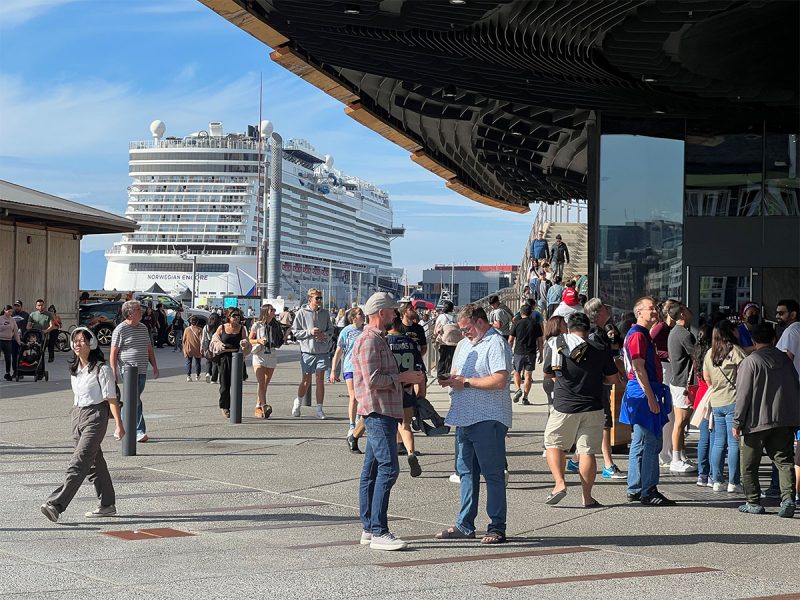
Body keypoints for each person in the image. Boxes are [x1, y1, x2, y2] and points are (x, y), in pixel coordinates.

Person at [353, 292, 423, 551]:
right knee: (388, 468)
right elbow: (372, 380)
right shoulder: (370, 340)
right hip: (378, 411)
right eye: (392, 311)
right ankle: (379, 530)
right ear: (381, 313)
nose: (396, 314)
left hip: (380, 411)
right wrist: (402, 377)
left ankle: (370, 529)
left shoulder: (375, 339)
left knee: (371, 471)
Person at [437, 304, 512, 544]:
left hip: (488, 416)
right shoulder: (462, 345)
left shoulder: (496, 343)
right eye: (461, 330)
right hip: (463, 416)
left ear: (480, 322)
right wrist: (451, 380)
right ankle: (465, 524)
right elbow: (459, 374)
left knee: (492, 474)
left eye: (467, 328)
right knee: (466, 472)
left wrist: (466, 382)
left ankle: (497, 526)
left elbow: (500, 379)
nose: (464, 333)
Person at [41, 327, 123, 523]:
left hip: (96, 416)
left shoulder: (102, 369)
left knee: (79, 462)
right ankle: (107, 504)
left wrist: (119, 425)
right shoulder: (75, 370)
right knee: (94, 463)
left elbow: (111, 399)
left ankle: (56, 504)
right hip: (78, 415)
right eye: (75, 341)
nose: (77, 344)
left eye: (82, 341)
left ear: (91, 344)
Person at [542, 312, 620, 507]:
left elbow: (547, 373)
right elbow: (612, 379)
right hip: (593, 406)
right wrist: (596, 379)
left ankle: (560, 483)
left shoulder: (557, 345)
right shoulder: (600, 348)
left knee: (554, 444)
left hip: (564, 405)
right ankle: (587, 497)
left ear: (569, 328)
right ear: (589, 329)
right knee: (587, 452)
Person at [733, 322, 799, 517]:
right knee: (784, 460)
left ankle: (753, 501)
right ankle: (787, 499)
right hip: (782, 419)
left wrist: (738, 421)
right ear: (774, 339)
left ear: (753, 340)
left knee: (749, 463)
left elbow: (742, 394)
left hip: (755, 421)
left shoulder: (751, 361)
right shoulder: (786, 361)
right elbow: (795, 387)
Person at [619, 296, 675, 506]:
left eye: (654, 309)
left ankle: (636, 486)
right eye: (650, 309)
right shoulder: (638, 336)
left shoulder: (641, 334)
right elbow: (638, 367)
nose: (654, 312)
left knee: (641, 442)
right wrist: (651, 397)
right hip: (643, 392)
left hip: (642, 391)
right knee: (651, 442)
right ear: (639, 312)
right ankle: (648, 489)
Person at [584, 297, 626, 479]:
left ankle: (577, 459)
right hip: (600, 384)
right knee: (604, 423)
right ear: (599, 312)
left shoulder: (600, 332)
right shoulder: (595, 336)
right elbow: (604, 361)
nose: (608, 310)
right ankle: (608, 465)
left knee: (597, 423)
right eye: (604, 308)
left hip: (598, 383)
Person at [703, 320, 746, 493]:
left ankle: (717, 480)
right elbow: (746, 376)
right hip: (733, 401)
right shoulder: (736, 352)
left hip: (717, 402)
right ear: (731, 332)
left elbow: (707, 379)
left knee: (719, 443)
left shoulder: (709, 354)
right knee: (734, 443)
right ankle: (734, 482)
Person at [110, 301, 159, 443]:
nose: (141, 312)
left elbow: (149, 348)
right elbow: (113, 353)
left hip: (142, 369)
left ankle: (120, 427)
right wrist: (114, 372)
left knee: (131, 401)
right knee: (135, 400)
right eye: (138, 310)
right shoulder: (120, 329)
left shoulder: (143, 328)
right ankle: (138, 431)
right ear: (130, 313)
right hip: (128, 370)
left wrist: (155, 366)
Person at [386, 314, 425, 478]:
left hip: (388, 389)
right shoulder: (411, 342)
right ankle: (410, 453)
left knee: (387, 427)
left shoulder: (384, 342)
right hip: (407, 389)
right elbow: (419, 369)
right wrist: (420, 392)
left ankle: (388, 462)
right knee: (406, 425)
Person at [291, 289, 333, 419]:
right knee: (306, 380)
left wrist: (324, 335)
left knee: (320, 380)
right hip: (307, 352)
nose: (319, 301)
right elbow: (295, 331)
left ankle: (319, 409)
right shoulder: (301, 313)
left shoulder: (325, 313)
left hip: (322, 351)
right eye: (317, 298)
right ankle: (297, 402)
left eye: (321, 298)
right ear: (310, 299)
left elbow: (331, 329)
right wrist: (309, 332)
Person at [666, 303, 697, 473]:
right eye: (687, 309)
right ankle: (676, 458)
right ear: (683, 314)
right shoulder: (685, 335)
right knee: (680, 421)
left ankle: (681, 455)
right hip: (683, 382)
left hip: (677, 381)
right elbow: (696, 356)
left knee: (681, 421)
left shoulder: (674, 333)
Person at [331, 307, 365, 453]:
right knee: (354, 396)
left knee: (362, 397)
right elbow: (339, 351)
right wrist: (333, 370)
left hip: (363, 367)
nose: (363, 316)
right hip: (350, 366)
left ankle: (358, 419)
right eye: (360, 314)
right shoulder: (346, 331)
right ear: (353, 318)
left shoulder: (367, 330)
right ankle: (352, 424)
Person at [689, 325, 715, 487]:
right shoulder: (711, 355)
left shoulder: (696, 353)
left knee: (704, 438)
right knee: (714, 437)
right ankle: (712, 474)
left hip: (700, 396)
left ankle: (702, 474)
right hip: (710, 396)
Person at [214, 309, 250, 419]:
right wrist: (220, 345)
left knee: (236, 385)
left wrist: (244, 344)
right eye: (234, 316)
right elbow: (215, 340)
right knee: (224, 385)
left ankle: (234, 407)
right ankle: (225, 407)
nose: (237, 318)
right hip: (225, 358)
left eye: (238, 316)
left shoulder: (242, 329)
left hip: (237, 358)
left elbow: (246, 341)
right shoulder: (222, 328)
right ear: (229, 317)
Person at [249, 304, 283, 419]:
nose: (274, 311)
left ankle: (258, 405)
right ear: (265, 312)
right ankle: (264, 405)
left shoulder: (276, 325)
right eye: (272, 310)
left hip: (271, 354)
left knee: (266, 383)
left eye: (274, 310)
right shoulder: (257, 325)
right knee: (261, 382)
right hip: (260, 354)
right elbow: (250, 340)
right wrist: (259, 340)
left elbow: (280, 338)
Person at [508, 303, 543, 405]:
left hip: (518, 352)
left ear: (521, 313)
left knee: (517, 372)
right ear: (531, 313)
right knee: (528, 376)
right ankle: (525, 398)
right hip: (531, 352)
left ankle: (518, 389)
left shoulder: (517, 324)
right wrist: (541, 353)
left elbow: (510, 340)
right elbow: (540, 341)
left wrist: (509, 351)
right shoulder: (535, 324)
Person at [432, 300, 460, 378]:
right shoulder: (455, 317)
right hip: (454, 341)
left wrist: (434, 337)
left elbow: (436, 328)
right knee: (451, 358)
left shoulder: (441, 316)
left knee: (443, 357)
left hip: (444, 341)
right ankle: (449, 373)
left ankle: (440, 373)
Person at [28, 299, 57, 372]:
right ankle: (33, 368)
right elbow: (28, 326)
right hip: (35, 338)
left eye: (42, 305)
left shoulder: (48, 314)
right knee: (35, 353)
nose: (40, 307)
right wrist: (31, 330)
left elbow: (52, 326)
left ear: (44, 306)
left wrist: (46, 331)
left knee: (41, 353)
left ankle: (41, 370)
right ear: (36, 306)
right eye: (39, 305)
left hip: (44, 337)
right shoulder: (32, 315)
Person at [0, 305, 22, 381]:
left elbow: (16, 332)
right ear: (4, 311)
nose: (10, 313)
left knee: (8, 358)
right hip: (0, 340)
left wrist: (19, 342)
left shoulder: (12, 320)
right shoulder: (0, 319)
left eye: (11, 311)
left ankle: (7, 373)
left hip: (8, 341)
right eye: (8, 311)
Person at [182, 315, 203, 382]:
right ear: (197, 322)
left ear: (190, 322)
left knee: (188, 362)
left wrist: (184, 349)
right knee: (198, 362)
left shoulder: (186, 329)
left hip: (189, 348)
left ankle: (188, 376)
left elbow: (183, 340)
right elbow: (202, 340)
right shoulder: (200, 329)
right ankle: (197, 375)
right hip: (197, 348)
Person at [202, 313, 220, 384]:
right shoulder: (219, 327)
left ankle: (207, 373)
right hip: (215, 344)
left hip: (207, 344)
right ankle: (214, 379)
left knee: (208, 360)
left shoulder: (206, 327)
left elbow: (203, 338)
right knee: (215, 361)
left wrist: (202, 347)